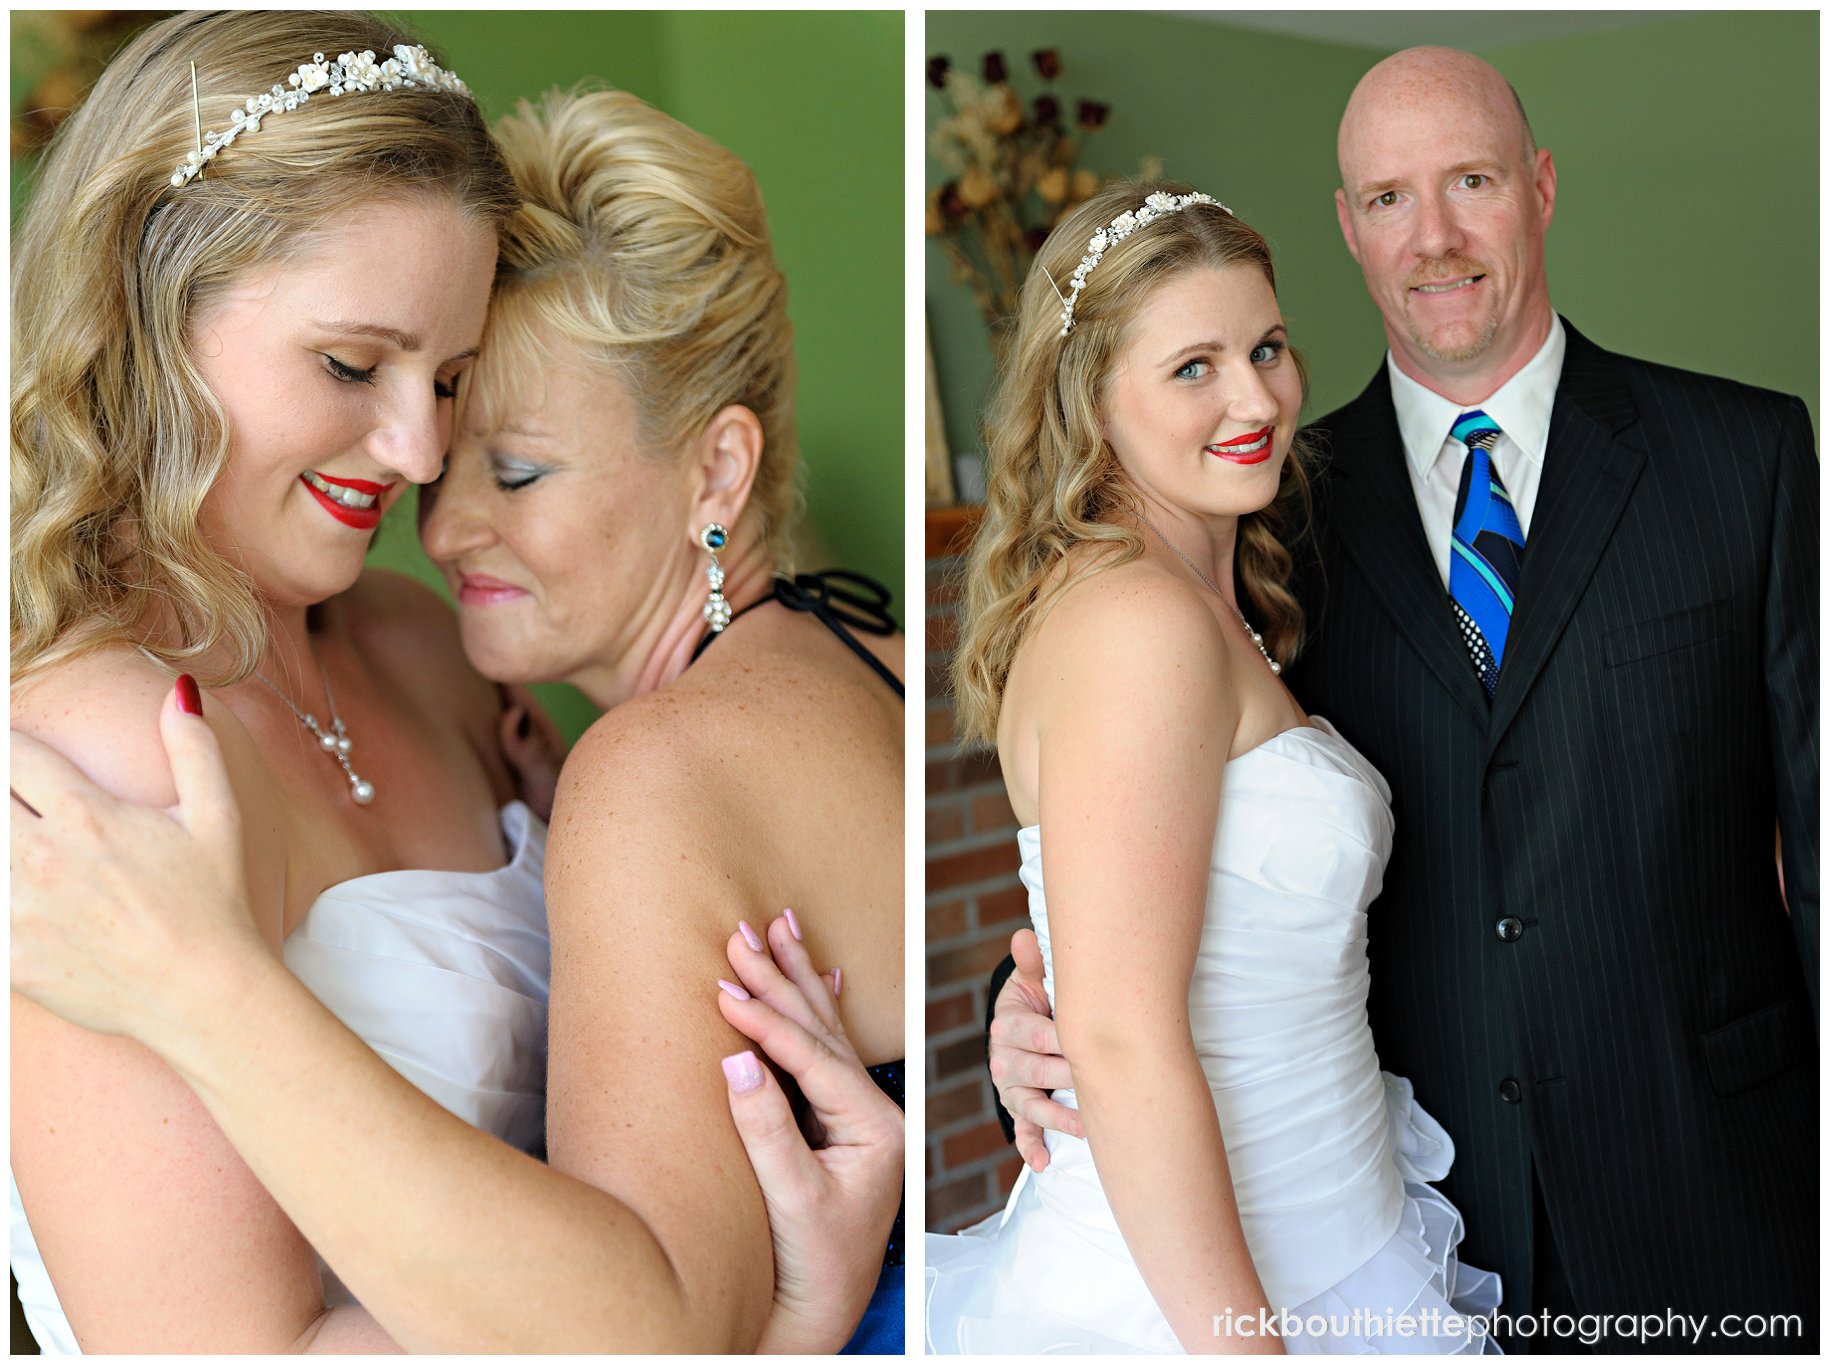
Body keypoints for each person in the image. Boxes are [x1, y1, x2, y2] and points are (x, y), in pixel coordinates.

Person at [9, 10, 901, 1354]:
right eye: (354, 364)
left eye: (453, 378)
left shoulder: (423, 646)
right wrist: (774, 1323)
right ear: (149, 306)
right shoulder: (107, 748)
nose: (420, 454)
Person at [986, 46, 1817, 1353]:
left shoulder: (1746, 461)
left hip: (1704, 1197)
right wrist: (1020, 1007)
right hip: (1418, 1214)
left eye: (1469, 181)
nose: (1431, 237)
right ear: (1346, 226)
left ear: (1538, 188)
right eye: (1385, 198)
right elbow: (1126, 877)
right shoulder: (1273, 512)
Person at [925, 180, 1500, 1355]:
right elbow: (1126, 1038)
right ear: (1092, 400)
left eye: (1267, 347)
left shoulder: (1216, 601)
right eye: (1194, 367)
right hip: (1202, 1298)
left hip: (1337, 1235)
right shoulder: (1138, 624)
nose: (1257, 399)